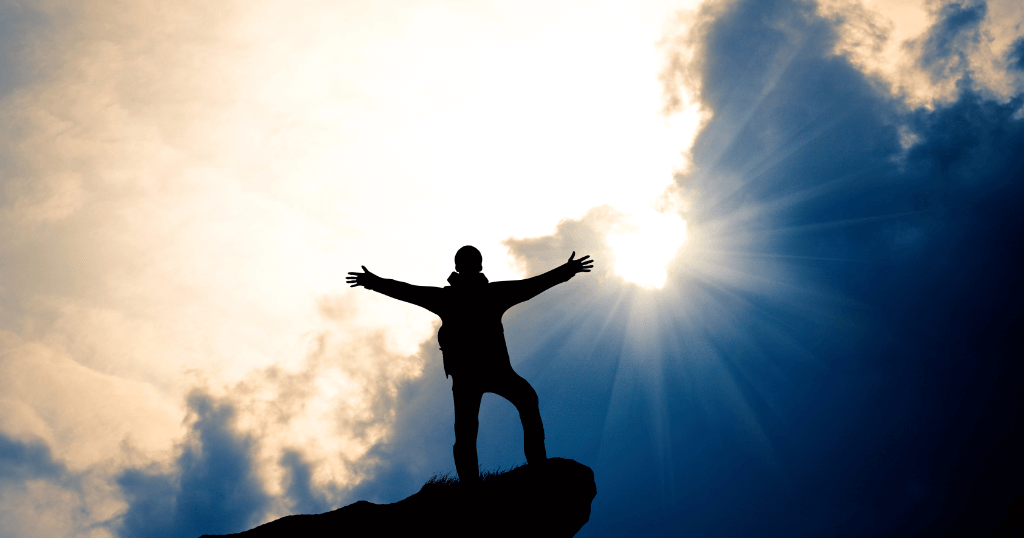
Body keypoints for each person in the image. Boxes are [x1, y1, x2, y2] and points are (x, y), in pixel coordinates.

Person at [346, 246, 593, 483]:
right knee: (476, 427)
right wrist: (373, 282)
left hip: (481, 374)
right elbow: (408, 291)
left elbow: (532, 285)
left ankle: (510, 474)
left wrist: (566, 271)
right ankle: (493, 480)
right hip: (480, 374)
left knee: (488, 420)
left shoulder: (459, 297)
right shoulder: (473, 296)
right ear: (475, 266)